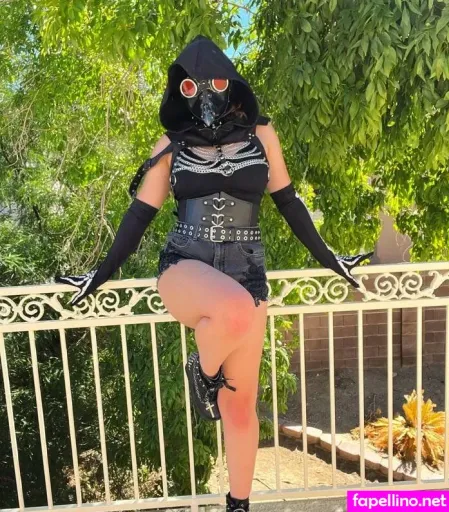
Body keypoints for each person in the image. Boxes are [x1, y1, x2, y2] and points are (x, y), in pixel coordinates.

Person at [55, 35, 373, 512]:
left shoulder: (262, 135)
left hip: (247, 270)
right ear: (178, 91)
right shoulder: (172, 145)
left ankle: (238, 505)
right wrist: (97, 276)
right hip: (186, 267)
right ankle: (201, 371)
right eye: (190, 87)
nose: (204, 93)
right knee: (236, 312)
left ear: (233, 83)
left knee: (240, 405)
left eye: (216, 82)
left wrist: (331, 258)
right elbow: (140, 215)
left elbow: (289, 202)